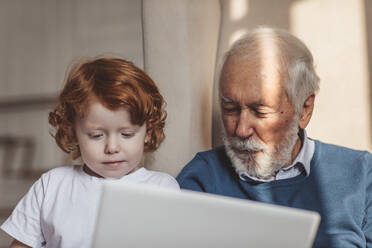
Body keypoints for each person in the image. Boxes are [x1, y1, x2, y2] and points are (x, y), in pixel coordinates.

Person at [176, 27, 372, 247]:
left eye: (260, 112)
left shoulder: (362, 173)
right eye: (230, 109)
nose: (241, 130)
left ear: (304, 109)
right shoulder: (202, 177)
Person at [1, 57, 179, 248]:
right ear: (73, 132)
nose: (112, 147)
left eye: (126, 134)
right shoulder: (52, 185)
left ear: (148, 132)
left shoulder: (162, 189)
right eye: (96, 135)